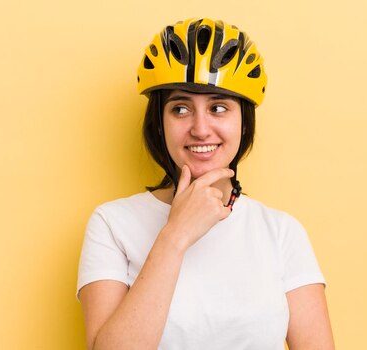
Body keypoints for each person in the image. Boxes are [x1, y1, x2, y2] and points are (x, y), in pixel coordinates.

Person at [77, 18, 335, 350]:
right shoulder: (111, 224)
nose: (200, 129)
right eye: (181, 109)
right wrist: (176, 234)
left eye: (218, 108)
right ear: (159, 124)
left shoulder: (281, 231)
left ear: (243, 123)